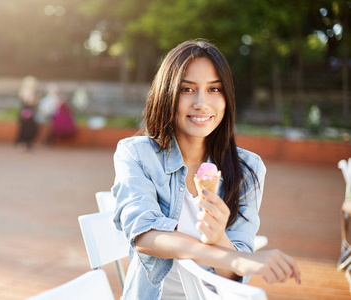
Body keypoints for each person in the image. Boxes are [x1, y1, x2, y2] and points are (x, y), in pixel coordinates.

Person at [111, 40, 301, 299]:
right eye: (187, 89)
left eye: (214, 89)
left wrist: (220, 237)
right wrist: (233, 258)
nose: (202, 103)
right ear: (167, 94)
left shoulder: (248, 169)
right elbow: (144, 236)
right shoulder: (137, 154)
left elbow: (234, 278)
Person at [15, 76, 39, 150]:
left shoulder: (24, 91)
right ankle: (24, 142)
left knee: (26, 128)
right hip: (27, 112)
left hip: (26, 112)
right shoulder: (28, 91)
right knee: (29, 128)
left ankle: (25, 142)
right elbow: (29, 101)